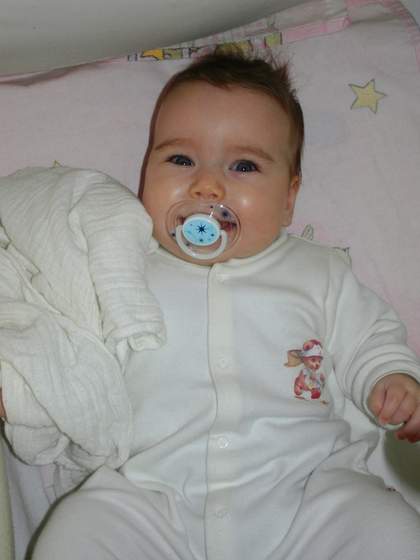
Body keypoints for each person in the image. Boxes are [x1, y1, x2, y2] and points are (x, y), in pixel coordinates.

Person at [31, 52, 420, 560]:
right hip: (154, 499)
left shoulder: (318, 272)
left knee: (387, 526)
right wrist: (27, 389)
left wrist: (390, 378)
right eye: (180, 160)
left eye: (244, 166)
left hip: (306, 493)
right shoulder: (122, 268)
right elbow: (71, 356)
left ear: (289, 198)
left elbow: (369, 337)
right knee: (79, 528)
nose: (207, 186)